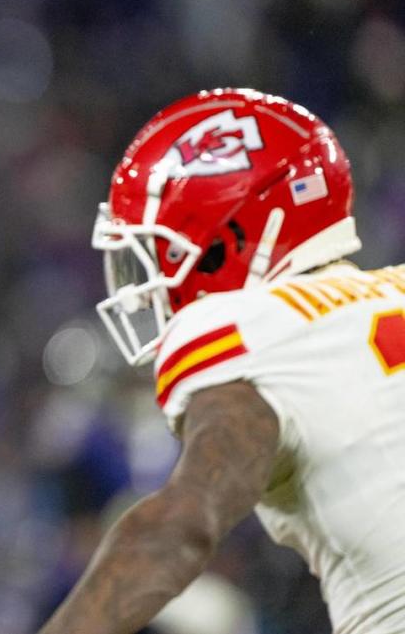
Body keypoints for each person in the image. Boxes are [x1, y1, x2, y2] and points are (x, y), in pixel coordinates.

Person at [38, 88, 405, 634]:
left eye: (159, 253)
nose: (146, 290)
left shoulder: (245, 327)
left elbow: (179, 530)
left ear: (226, 242)